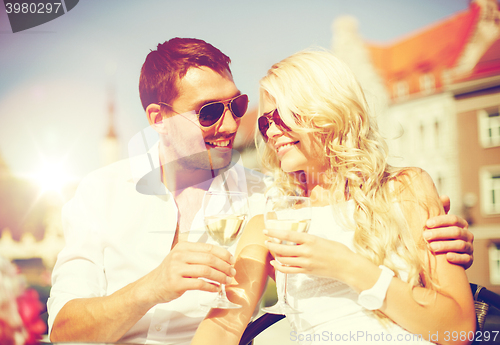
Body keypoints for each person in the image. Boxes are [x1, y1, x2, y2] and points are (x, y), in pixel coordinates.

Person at [48, 38, 473, 344]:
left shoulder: (271, 198)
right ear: (158, 119)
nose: (237, 126)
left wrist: (437, 231)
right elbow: (65, 333)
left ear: (329, 113)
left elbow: (454, 324)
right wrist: (154, 286)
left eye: (237, 107)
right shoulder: (100, 192)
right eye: (211, 112)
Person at [193, 50, 476, 345]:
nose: (273, 131)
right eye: (265, 124)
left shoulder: (406, 188)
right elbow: (224, 326)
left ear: (328, 111)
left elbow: (457, 328)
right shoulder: (271, 223)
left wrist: (346, 265)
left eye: (282, 116)